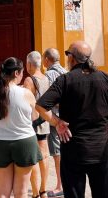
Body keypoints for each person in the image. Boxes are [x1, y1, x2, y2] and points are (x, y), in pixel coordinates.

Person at [36, 41, 108, 198]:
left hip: (73, 150)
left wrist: (57, 122)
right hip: (99, 150)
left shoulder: (65, 80)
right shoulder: (106, 79)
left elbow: (40, 106)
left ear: (72, 58)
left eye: (68, 54)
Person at [0, 57, 42, 198]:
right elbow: (35, 116)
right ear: (17, 73)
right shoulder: (26, 93)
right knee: (22, 192)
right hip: (24, 141)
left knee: (2, 192)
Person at [24, 51, 50, 198]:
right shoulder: (46, 79)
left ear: (29, 64)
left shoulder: (29, 80)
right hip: (44, 120)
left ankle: (34, 192)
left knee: (34, 157)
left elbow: (27, 103)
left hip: (32, 122)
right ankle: (43, 190)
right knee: (44, 156)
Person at [42, 48, 67, 198]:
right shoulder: (66, 72)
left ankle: (60, 185)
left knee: (57, 153)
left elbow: (48, 99)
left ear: (46, 60)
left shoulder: (48, 75)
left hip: (55, 119)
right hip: (68, 118)